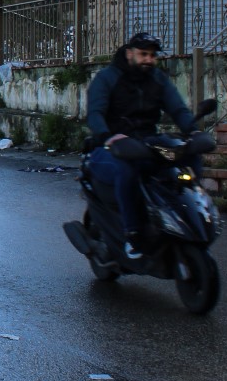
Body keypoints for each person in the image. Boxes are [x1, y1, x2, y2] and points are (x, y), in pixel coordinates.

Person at [84, 32, 198, 260]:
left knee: (187, 155)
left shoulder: (158, 79)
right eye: (143, 54)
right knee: (127, 170)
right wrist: (107, 136)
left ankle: (190, 214)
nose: (148, 59)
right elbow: (95, 113)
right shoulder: (107, 78)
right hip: (108, 147)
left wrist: (192, 130)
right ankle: (132, 234)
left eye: (152, 55)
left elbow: (177, 109)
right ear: (129, 54)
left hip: (146, 141)